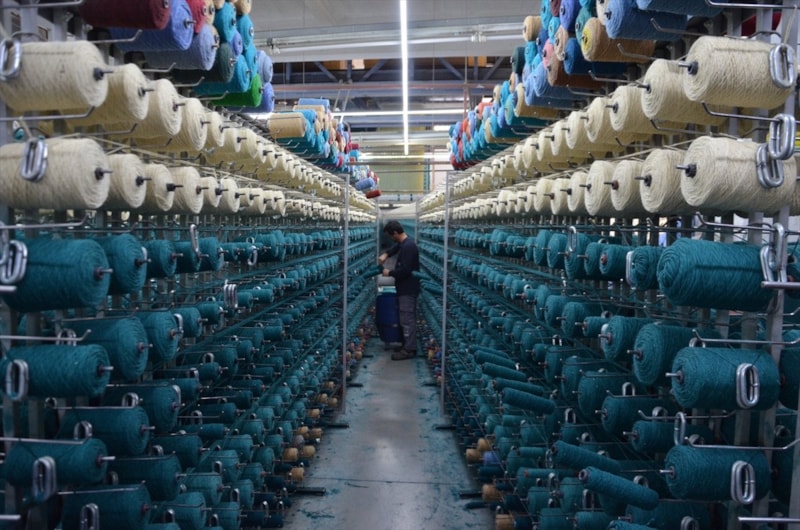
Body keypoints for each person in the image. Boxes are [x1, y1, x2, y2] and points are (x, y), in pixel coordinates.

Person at [378, 220, 420, 360]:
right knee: (404, 318)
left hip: (408, 289)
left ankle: (409, 349)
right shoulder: (406, 243)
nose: (391, 239)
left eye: (391, 236)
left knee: (407, 319)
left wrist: (389, 273)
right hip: (404, 288)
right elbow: (397, 247)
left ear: (395, 233)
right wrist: (386, 254)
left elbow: (404, 271)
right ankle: (406, 344)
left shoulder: (409, 247)